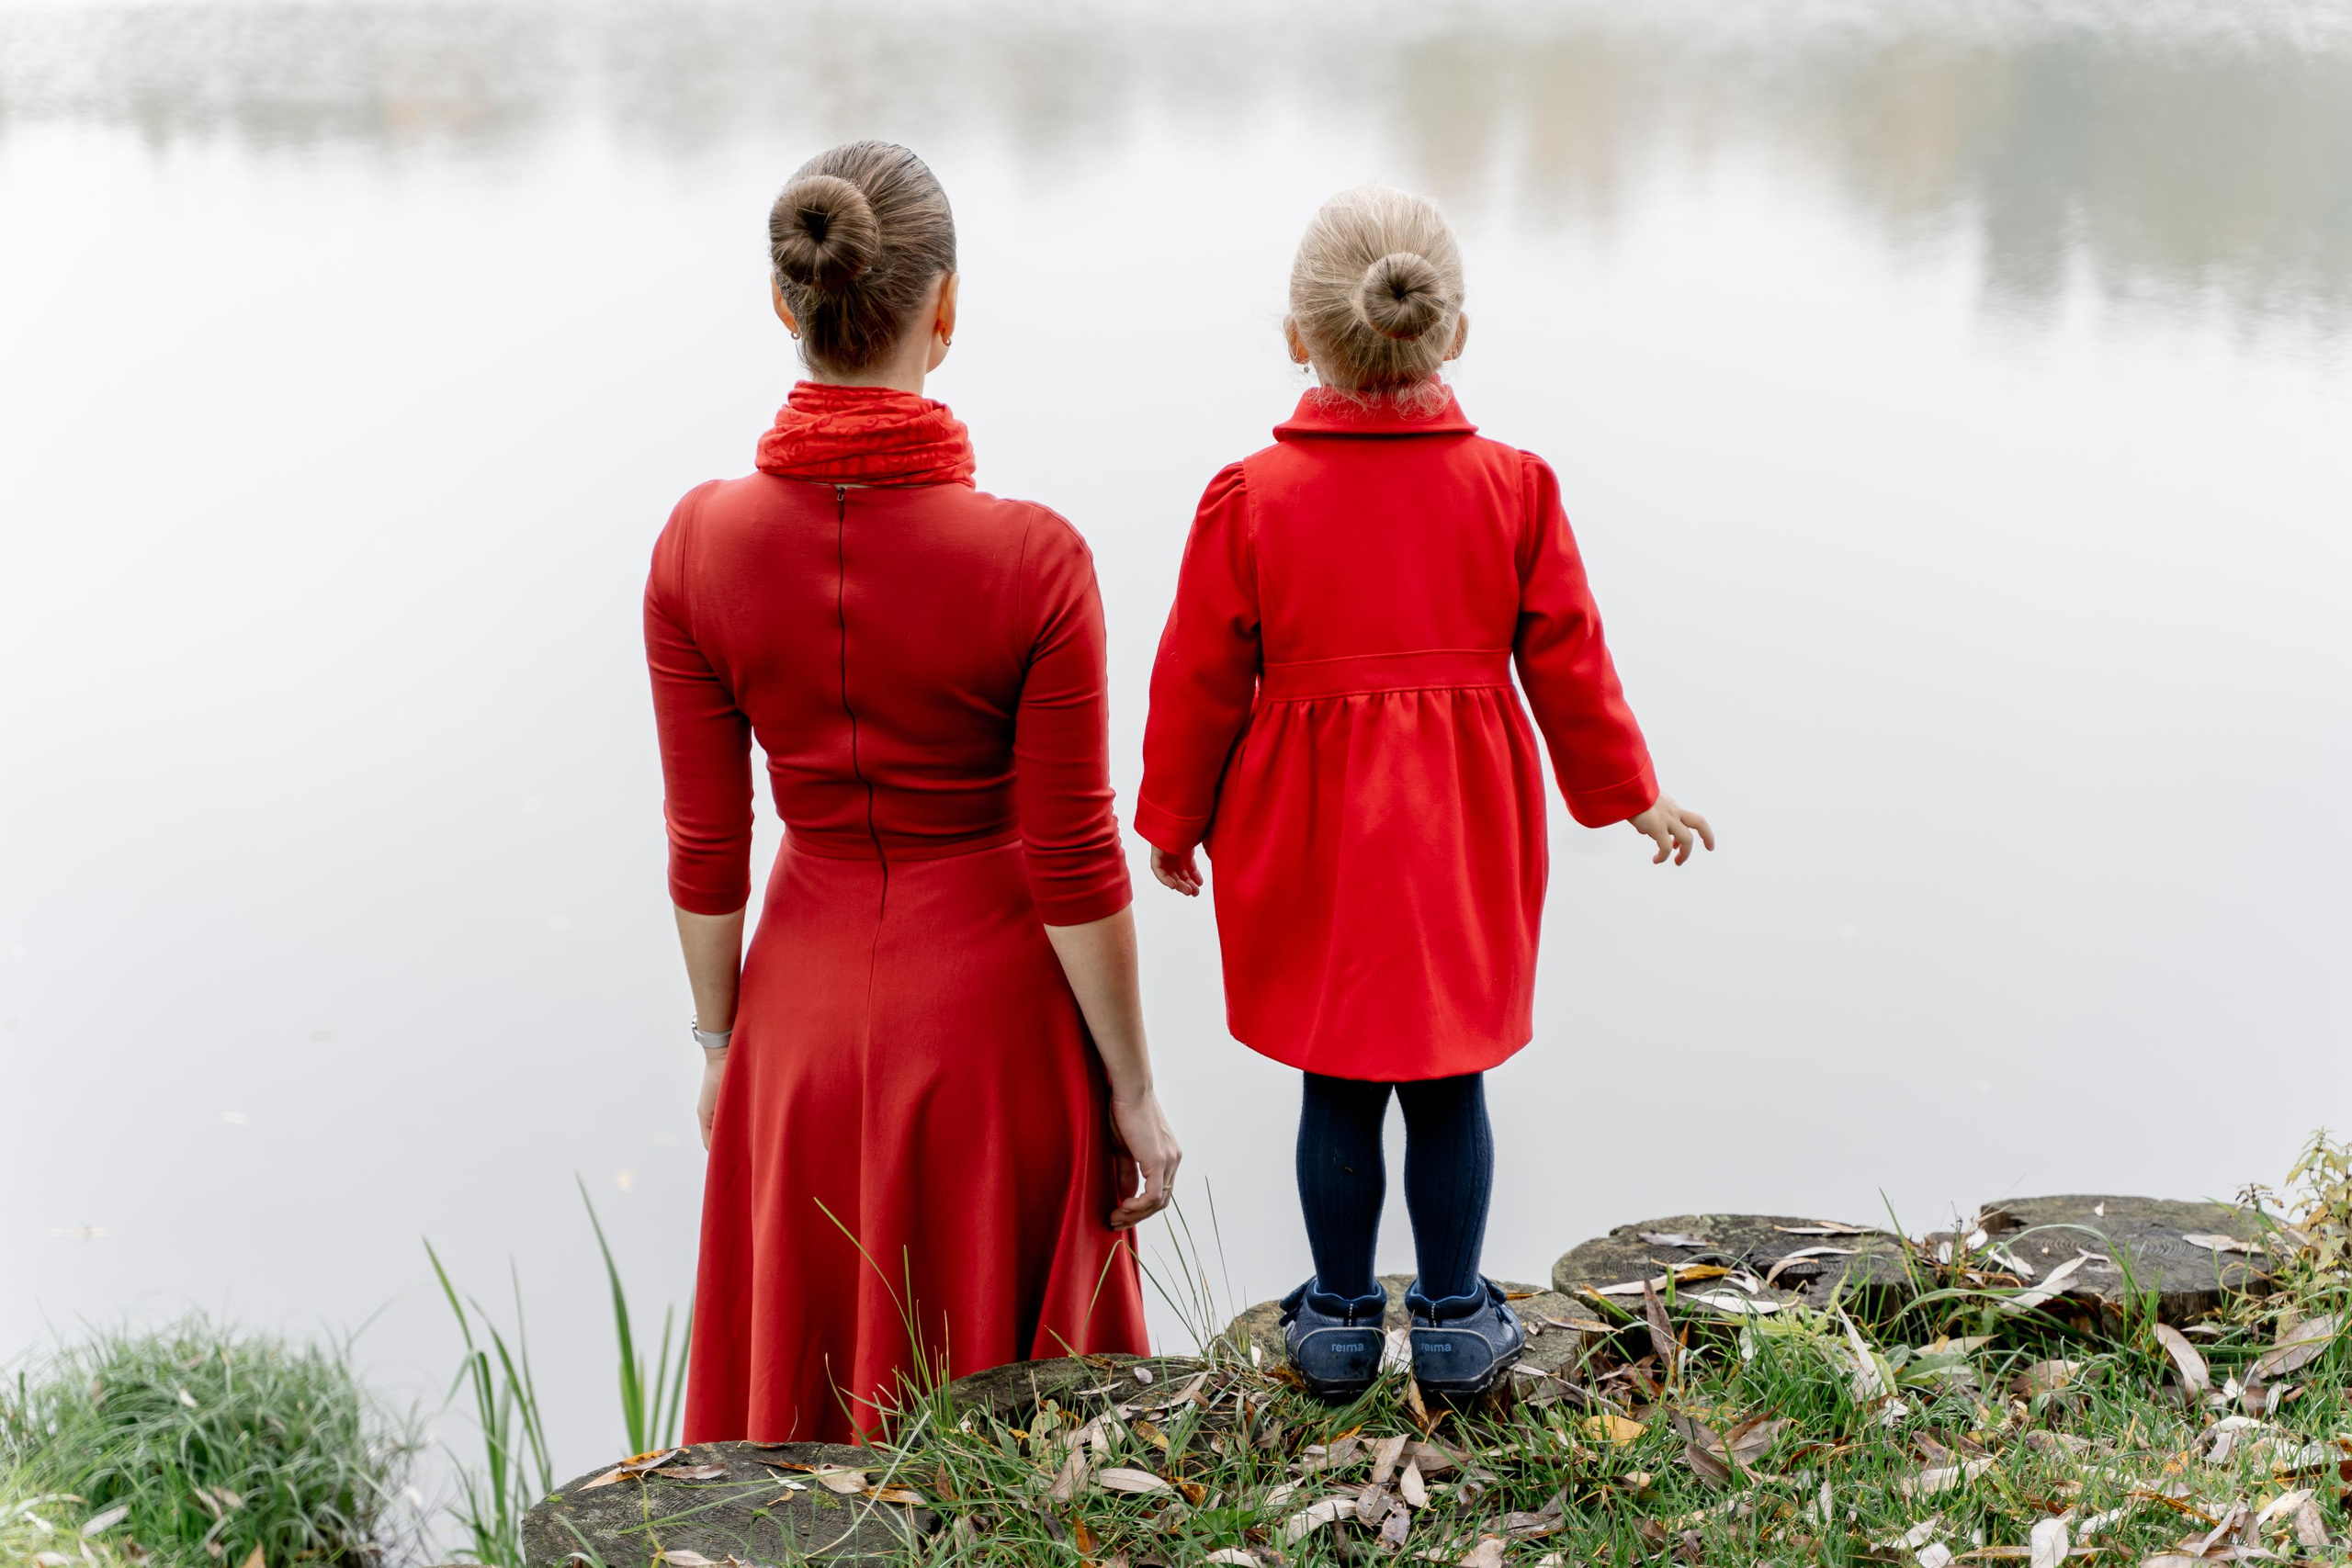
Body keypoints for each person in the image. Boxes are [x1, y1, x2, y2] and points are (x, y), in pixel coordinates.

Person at [1136, 186, 1712, 1403]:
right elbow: (1568, 655)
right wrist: (1629, 795)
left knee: (1339, 1075)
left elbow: (1198, 673)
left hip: (1310, 820)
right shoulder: (1513, 487)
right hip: (1461, 814)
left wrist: (1174, 818)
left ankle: (1340, 1319)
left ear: (1299, 336)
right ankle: (1453, 1318)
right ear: (1453, 332)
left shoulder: (1251, 499)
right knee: (1449, 1075)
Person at [648, 141, 1181, 1443]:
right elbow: (1072, 864)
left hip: (800, 1040)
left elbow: (708, 847)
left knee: (801, 1459)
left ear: (787, 308)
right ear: (944, 311)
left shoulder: (696, 545)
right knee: (1024, 1459)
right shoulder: (1034, 563)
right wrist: (1134, 1092)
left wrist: (721, 1047)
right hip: (995, 1047)